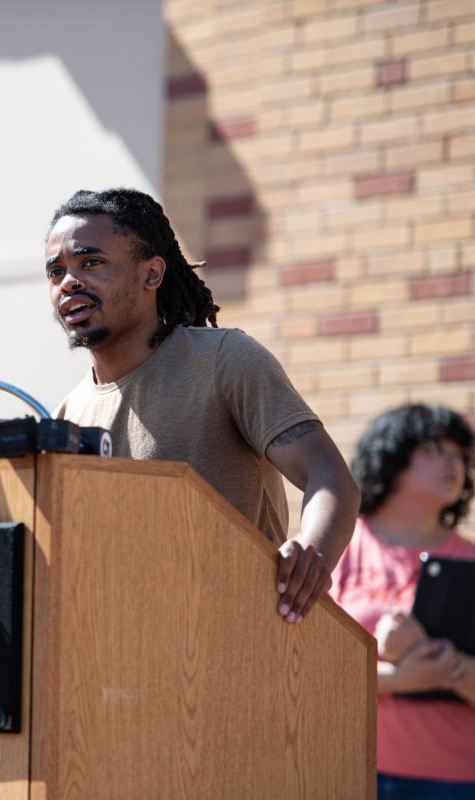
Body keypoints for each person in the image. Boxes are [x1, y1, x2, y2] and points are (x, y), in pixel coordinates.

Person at [47, 187, 358, 623]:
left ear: (152, 274)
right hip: (122, 654)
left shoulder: (224, 360)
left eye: (91, 262)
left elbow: (330, 478)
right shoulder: (67, 414)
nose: (69, 282)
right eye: (56, 271)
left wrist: (312, 549)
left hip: (232, 642)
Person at [331, 403, 475, 798]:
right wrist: (401, 678)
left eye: (459, 453)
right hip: (346, 771)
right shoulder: (338, 546)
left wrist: (445, 663)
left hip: (457, 782)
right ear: (391, 456)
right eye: (435, 450)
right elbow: (304, 668)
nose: (453, 462)